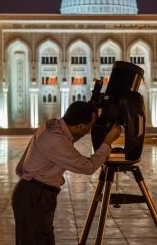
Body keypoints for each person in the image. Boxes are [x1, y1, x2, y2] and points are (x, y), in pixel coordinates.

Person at [11, 101, 122, 245]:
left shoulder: (54, 125)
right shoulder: (56, 140)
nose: (90, 129)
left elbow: (70, 138)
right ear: (80, 126)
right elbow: (88, 167)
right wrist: (107, 142)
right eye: (90, 125)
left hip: (34, 192)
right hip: (35, 196)